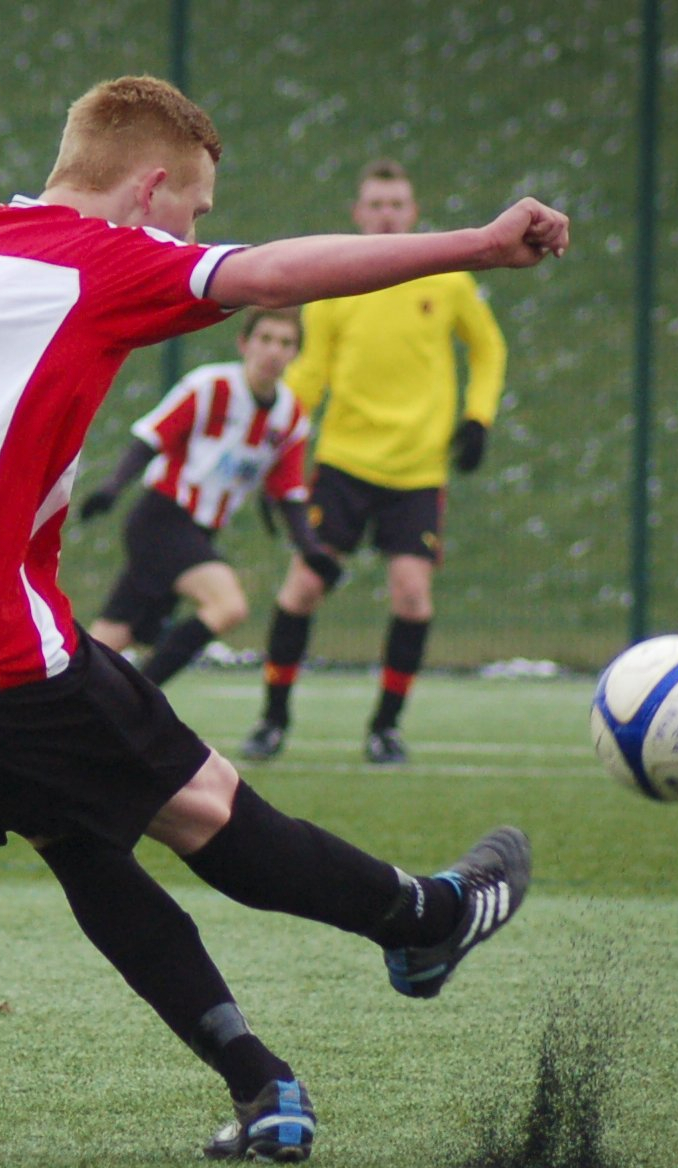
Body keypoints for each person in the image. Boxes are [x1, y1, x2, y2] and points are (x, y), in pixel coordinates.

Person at [0, 77, 564, 1161]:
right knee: (203, 808)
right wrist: (471, 243)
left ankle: (263, 1087)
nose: (195, 235)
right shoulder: (100, 260)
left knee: (76, 832)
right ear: (147, 190)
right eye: (192, 213)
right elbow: (271, 274)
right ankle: (424, 923)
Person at [240, 158, 508, 767]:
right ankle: (273, 720)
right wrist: (274, 444)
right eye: (376, 205)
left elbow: (488, 348)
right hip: (343, 462)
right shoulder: (338, 282)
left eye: (397, 205)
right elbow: (311, 373)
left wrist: (478, 417)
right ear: (358, 214)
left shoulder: (447, 280)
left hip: (416, 470)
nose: (387, 215)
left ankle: (385, 728)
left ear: (413, 213)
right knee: (305, 584)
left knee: (412, 595)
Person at [78, 308, 330, 686]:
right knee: (227, 605)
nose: (273, 351)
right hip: (162, 518)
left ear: (296, 354)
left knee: (112, 636)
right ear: (244, 344)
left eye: (285, 343)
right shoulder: (211, 386)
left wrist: (311, 549)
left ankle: (62, 698)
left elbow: (288, 491)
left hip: (199, 533)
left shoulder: (291, 416)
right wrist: (113, 487)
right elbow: (152, 437)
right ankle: (141, 699)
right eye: (265, 339)